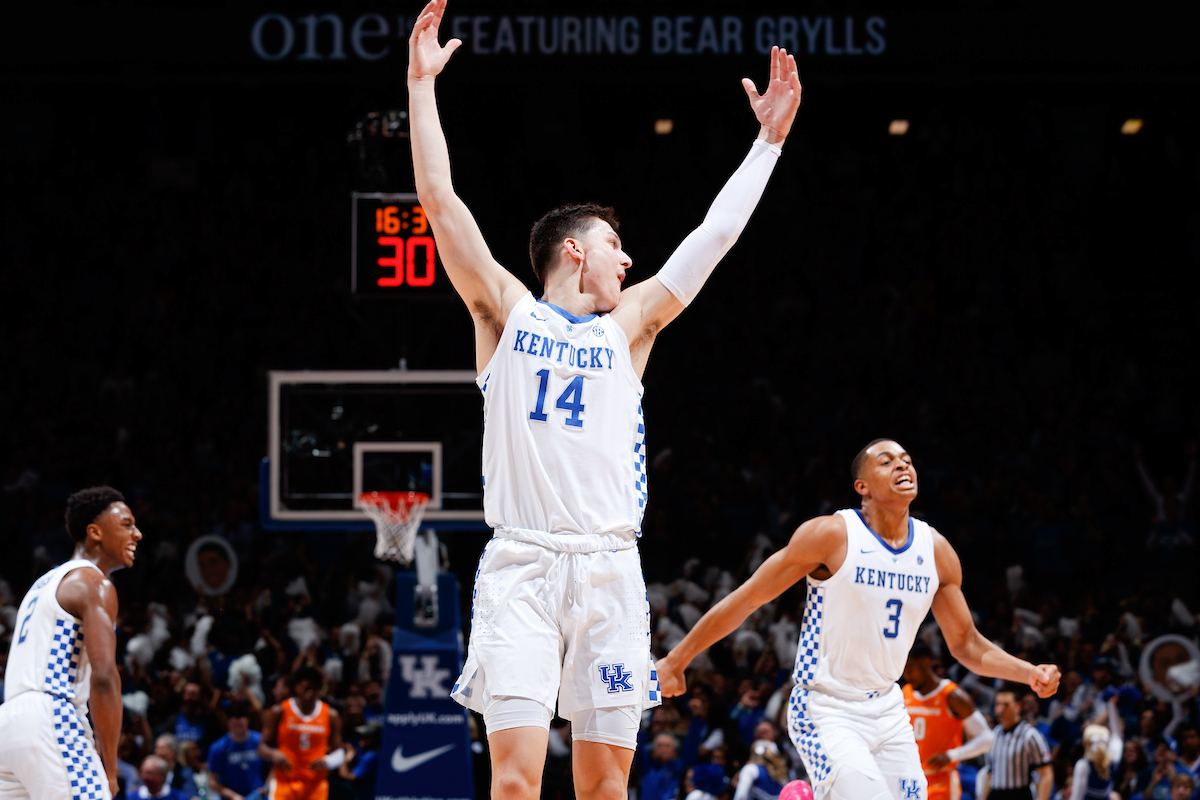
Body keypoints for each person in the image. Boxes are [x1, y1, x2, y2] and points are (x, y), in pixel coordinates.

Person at [406, 2, 802, 799]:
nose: (629, 262)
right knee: (515, 783)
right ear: (576, 251)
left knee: (603, 787)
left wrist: (768, 144)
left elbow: (710, 240)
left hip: (612, 571)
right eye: (616, 248)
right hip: (520, 563)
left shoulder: (629, 329)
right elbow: (442, 203)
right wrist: (421, 86)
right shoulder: (505, 312)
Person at [657, 439, 1062, 800]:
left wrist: (1028, 673)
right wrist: (677, 660)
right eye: (887, 462)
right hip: (825, 707)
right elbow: (748, 599)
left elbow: (967, 644)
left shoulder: (935, 550)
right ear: (862, 487)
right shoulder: (832, 535)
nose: (903, 466)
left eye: (906, 460)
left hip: (888, 708)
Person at [0, 486, 142, 800]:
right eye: (127, 524)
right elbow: (104, 679)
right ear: (95, 532)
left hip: (7, 726)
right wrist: (110, 767)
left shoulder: (43, 584)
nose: (138, 534)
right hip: (51, 715)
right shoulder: (94, 583)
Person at [903, 642, 994, 800]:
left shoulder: (953, 696)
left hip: (940, 780)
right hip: (909, 780)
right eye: (904, 670)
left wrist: (952, 755)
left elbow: (987, 739)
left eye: (910, 669)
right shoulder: (905, 693)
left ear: (925, 663)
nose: (907, 675)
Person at [259, 666, 345, 800]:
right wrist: (273, 753)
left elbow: (340, 752)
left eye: (315, 688)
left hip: (315, 786)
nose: (310, 693)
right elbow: (261, 748)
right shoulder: (279, 711)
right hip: (284, 784)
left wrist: (329, 761)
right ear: (296, 687)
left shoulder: (330, 715)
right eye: (306, 688)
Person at [982, 689, 1053, 800]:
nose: (1001, 709)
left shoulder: (1030, 735)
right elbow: (989, 774)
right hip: (995, 794)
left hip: (1019, 794)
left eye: (1006, 705)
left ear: (1018, 706)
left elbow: (1046, 775)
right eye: (998, 704)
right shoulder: (993, 734)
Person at [1068, 695, 1123, 800]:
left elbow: (1077, 796)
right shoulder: (1113, 758)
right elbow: (1117, 735)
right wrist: (1111, 706)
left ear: (1085, 744)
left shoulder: (1084, 765)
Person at [207, 703, 265, 800]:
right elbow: (212, 780)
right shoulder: (218, 748)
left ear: (248, 721)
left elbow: (274, 767)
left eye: (241, 725)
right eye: (234, 725)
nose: (238, 730)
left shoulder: (260, 741)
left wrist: (266, 786)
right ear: (228, 723)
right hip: (231, 796)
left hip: (258, 794)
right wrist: (233, 796)